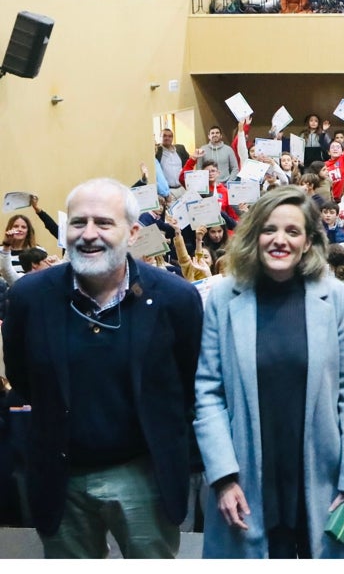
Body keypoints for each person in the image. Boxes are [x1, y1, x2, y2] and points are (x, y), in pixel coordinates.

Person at [1, 178, 203, 558]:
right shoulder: (29, 298)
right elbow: (23, 377)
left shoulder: (175, 298)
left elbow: (189, 381)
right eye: (78, 223)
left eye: (103, 223)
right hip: (61, 476)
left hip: (144, 474)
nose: (88, 234)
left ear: (133, 231)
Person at [193, 186, 344, 558]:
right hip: (245, 479)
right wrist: (224, 477)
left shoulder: (334, 297)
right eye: (269, 229)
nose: (280, 240)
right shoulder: (225, 298)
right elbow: (208, 392)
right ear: (254, 235)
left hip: (322, 479)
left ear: (308, 241)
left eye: (292, 231)